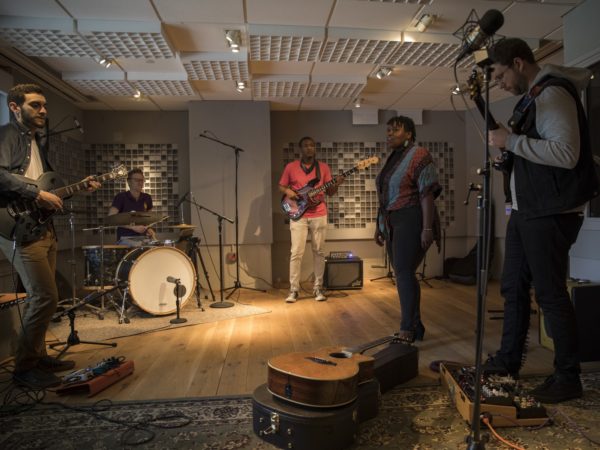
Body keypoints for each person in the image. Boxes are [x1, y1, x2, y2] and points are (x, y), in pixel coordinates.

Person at [484, 38, 599, 403]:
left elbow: (566, 153)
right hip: (527, 210)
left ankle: (567, 377)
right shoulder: (533, 97)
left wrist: (512, 143)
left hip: (549, 212)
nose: (500, 84)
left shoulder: (552, 94)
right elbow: (535, 152)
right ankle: (508, 361)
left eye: (501, 75)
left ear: (518, 63)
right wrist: (510, 154)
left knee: (550, 294)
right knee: (513, 288)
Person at [0, 83, 101, 388]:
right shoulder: (7, 135)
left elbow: (46, 188)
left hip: (41, 227)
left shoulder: (36, 142)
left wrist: (79, 187)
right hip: (18, 229)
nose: (43, 110)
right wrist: (37, 194)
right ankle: (24, 369)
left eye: (44, 105)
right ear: (14, 107)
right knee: (45, 296)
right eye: (35, 105)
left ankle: (39, 357)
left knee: (46, 296)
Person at [375, 116, 441, 344]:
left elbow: (427, 192)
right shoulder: (394, 158)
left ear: (409, 133)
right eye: (388, 130)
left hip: (411, 218)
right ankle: (416, 326)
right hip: (392, 222)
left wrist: (427, 227)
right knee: (404, 274)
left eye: (395, 130)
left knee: (403, 273)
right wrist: (379, 226)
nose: (389, 134)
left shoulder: (419, 154)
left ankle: (406, 329)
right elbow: (385, 197)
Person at [279, 136, 344, 303]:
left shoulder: (323, 168)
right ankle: (294, 290)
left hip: (319, 213)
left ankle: (318, 288)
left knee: (319, 252)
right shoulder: (291, 167)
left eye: (312, 145)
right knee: (296, 252)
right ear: (300, 149)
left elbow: (330, 192)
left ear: (315, 148)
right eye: (306, 146)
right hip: (298, 215)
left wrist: (336, 183)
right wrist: (288, 192)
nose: (309, 148)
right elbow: (281, 185)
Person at [109, 168, 154, 245]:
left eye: (141, 180)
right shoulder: (121, 197)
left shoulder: (147, 198)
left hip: (143, 238)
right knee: (139, 246)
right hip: (125, 239)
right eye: (136, 180)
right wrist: (133, 227)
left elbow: (149, 219)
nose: (140, 183)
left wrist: (149, 229)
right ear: (129, 182)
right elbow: (111, 218)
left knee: (158, 247)